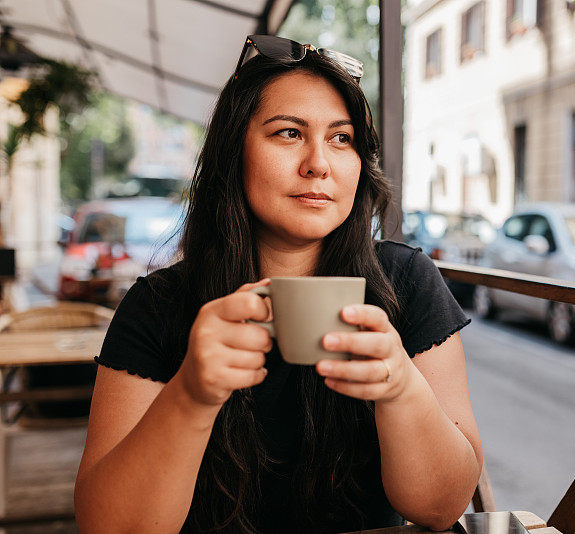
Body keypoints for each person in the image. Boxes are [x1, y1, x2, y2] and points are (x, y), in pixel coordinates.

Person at [74, 35, 482, 534]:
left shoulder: (406, 283)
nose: (319, 163)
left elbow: (443, 508)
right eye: (289, 133)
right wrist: (192, 395)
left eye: (341, 138)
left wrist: (401, 389)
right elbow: (110, 528)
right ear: (233, 152)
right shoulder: (158, 306)